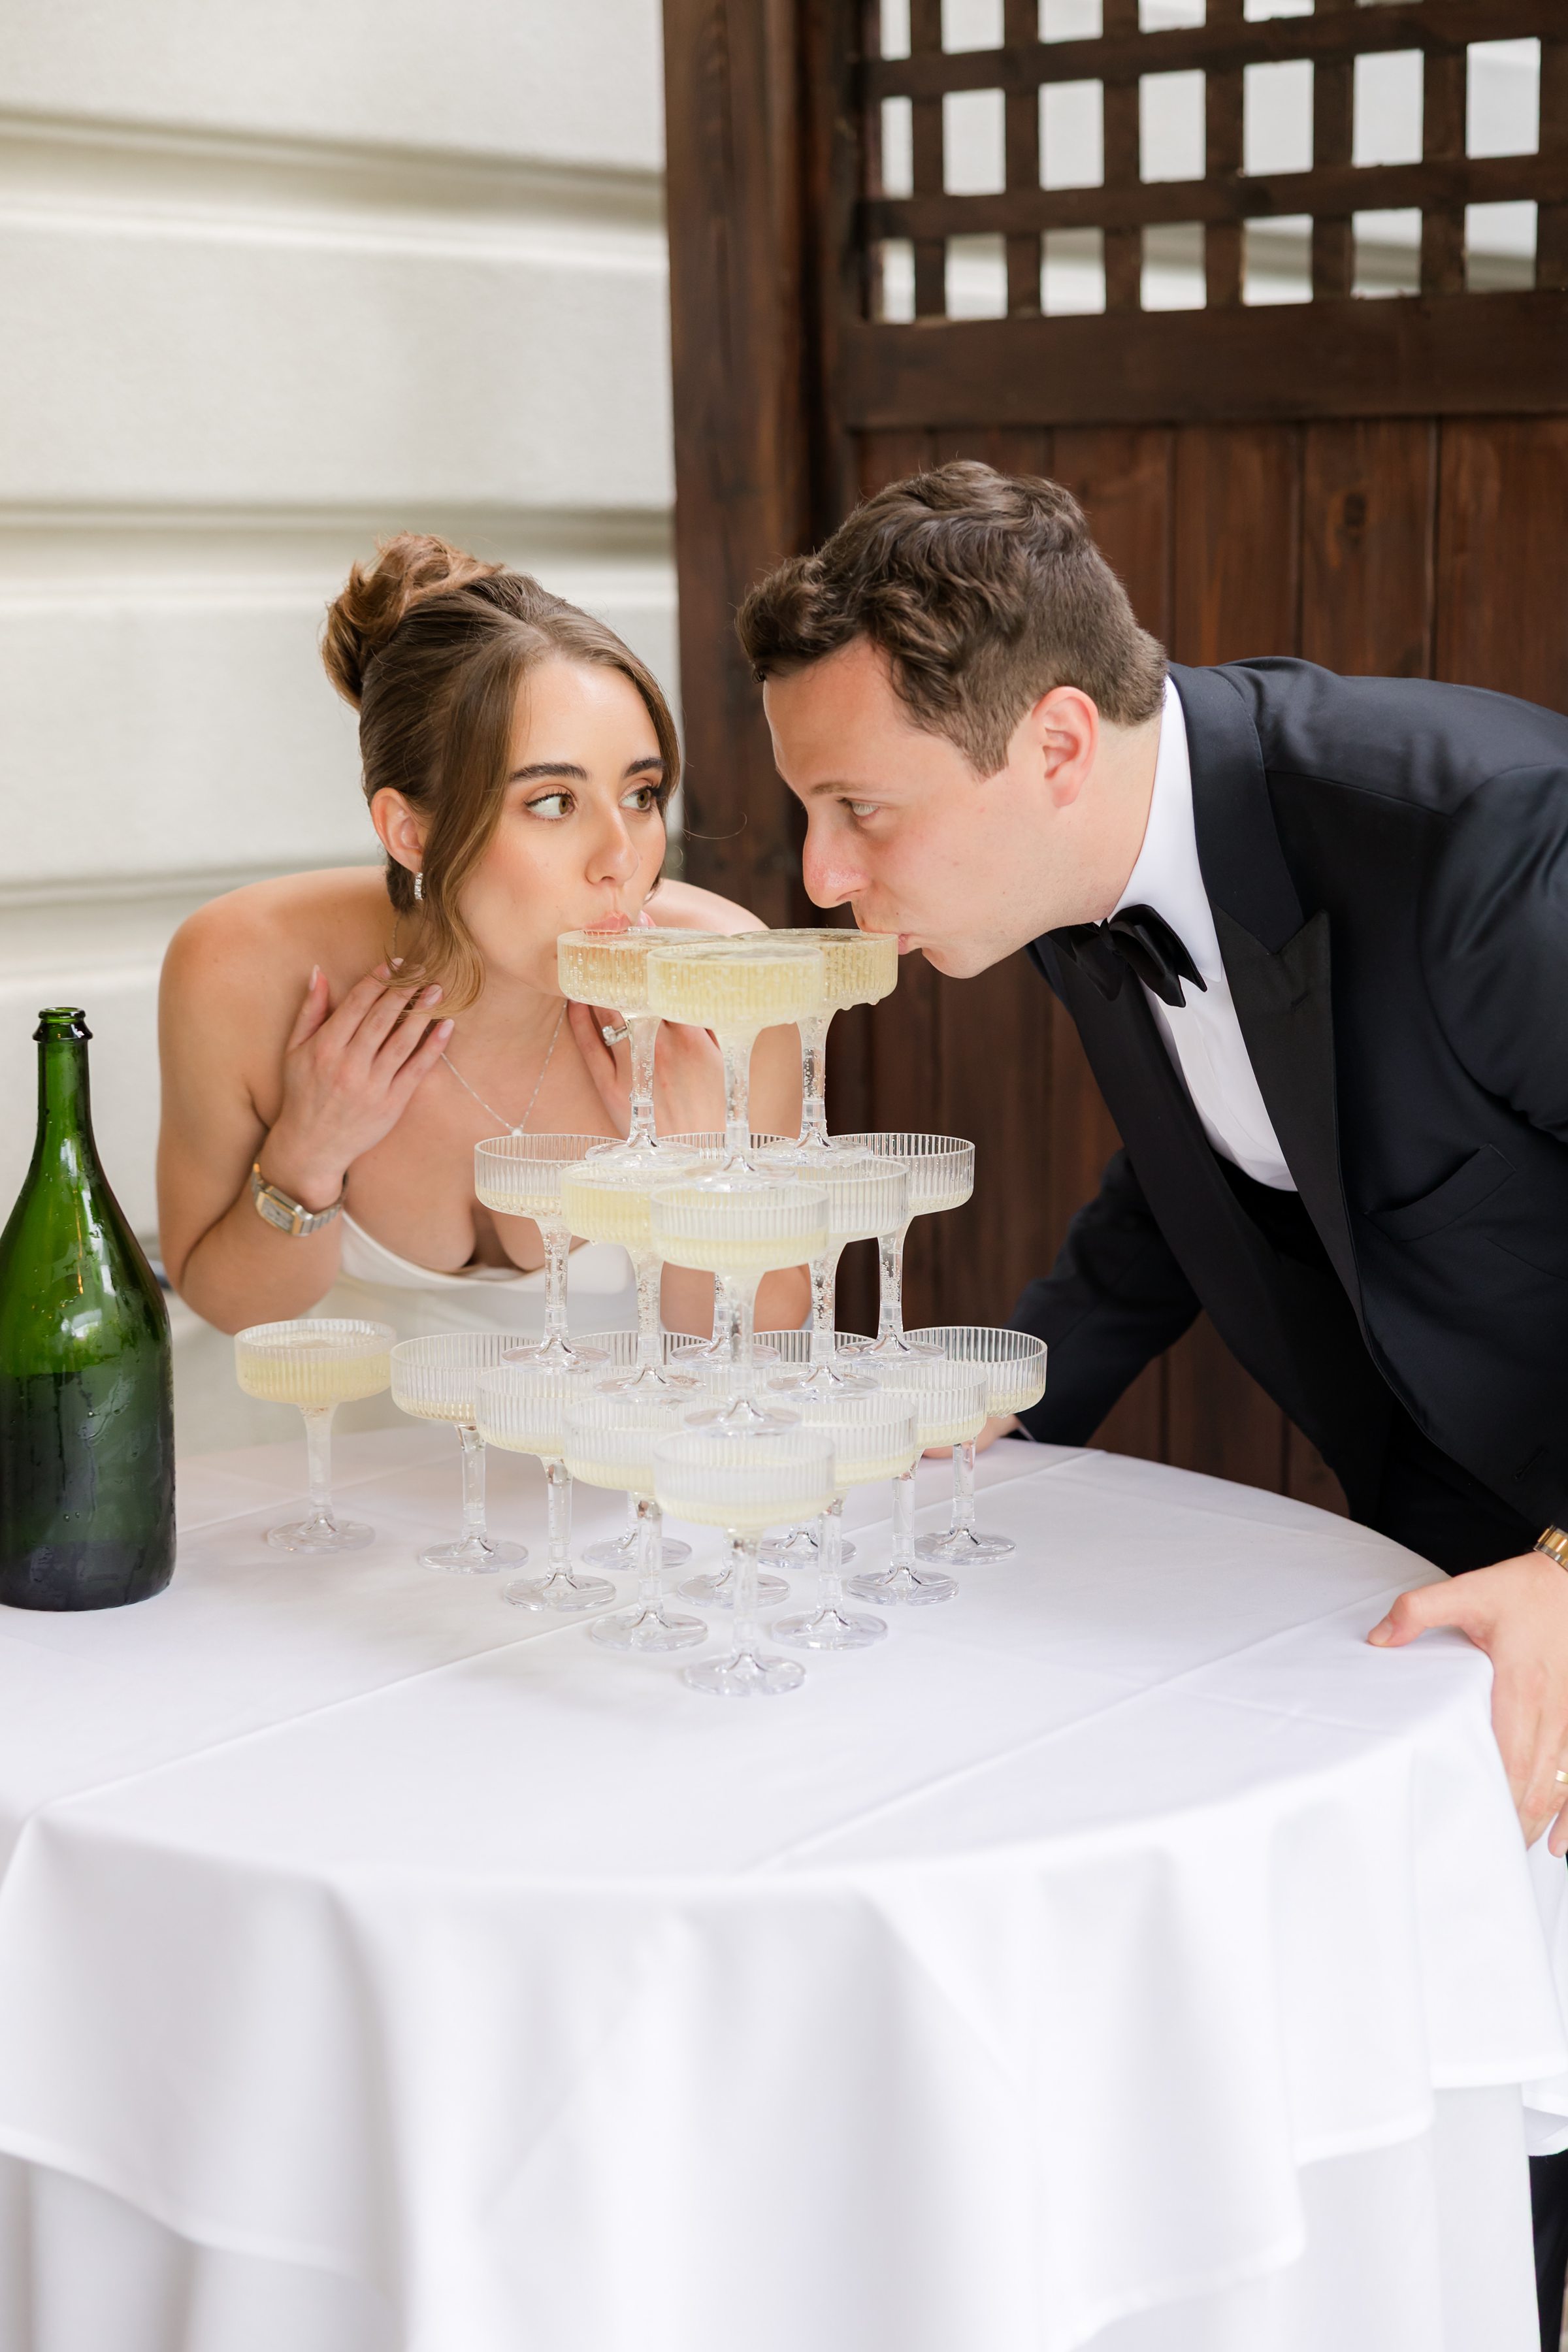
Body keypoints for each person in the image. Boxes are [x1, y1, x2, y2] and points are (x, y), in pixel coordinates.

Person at [739, 459, 1568, 2342]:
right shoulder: (1081, 869)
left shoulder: (1483, 840)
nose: (821, 877)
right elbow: (1197, 1161)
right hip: (1450, 1536)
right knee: (1472, 2109)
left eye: (858, 810)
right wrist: (1010, 1402)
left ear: (1050, 740)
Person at [158, 534, 805, 1372]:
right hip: (327, 1447)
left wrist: (697, 1172)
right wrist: (306, 1158)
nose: (623, 858)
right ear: (409, 831)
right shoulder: (243, 967)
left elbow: (764, 1347)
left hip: (631, 1451)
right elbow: (230, 1307)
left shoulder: (728, 981)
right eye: (553, 802)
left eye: (641, 794)